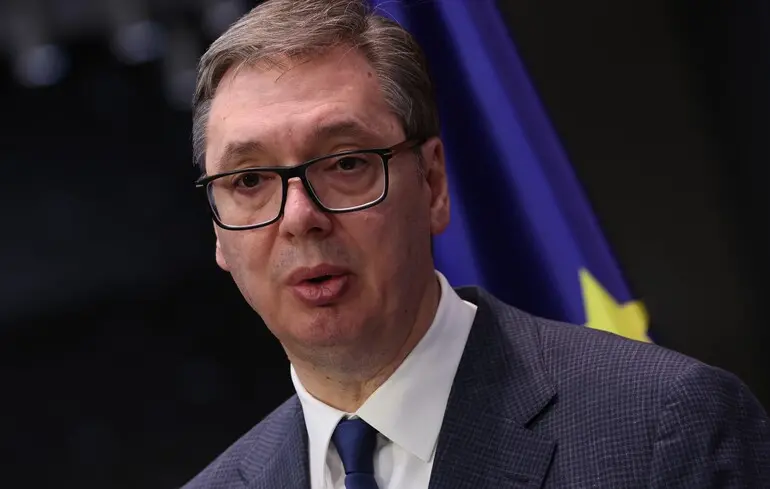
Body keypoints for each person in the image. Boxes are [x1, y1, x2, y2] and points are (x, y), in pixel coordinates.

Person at [182, 0, 770, 487]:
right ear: (217, 232)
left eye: (346, 162)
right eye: (249, 181)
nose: (299, 217)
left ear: (434, 184)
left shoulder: (663, 429)